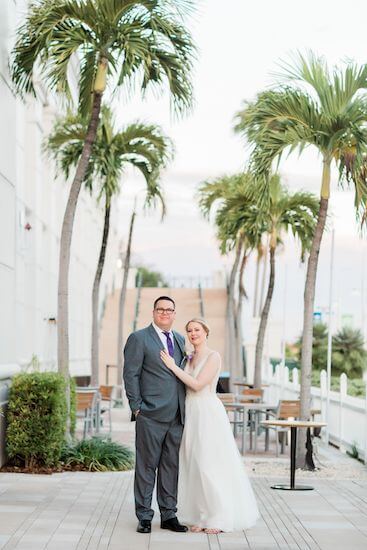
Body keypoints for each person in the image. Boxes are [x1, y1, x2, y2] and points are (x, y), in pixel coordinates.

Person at [160, 318, 260, 533]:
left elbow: (196, 385)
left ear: (206, 332)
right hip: (190, 413)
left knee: (209, 465)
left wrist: (171, 367)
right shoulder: (188, 357)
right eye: (189, 330)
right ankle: (203, 515)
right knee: (194, 465)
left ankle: (220, 517)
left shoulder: (213, 356)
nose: (193, 333)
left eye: (197, 329)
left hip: (207, 412)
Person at [123, 296, 188, 534]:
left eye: (169, 310)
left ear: (174, 313)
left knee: (171, 466)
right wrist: (136, 406)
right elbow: (131, 374)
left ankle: (169, 514)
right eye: (160, 309)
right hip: (150, 414)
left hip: (176, 416)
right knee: (146, 466)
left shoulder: (180, 339)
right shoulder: (138, 338)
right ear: (153, 312)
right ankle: (144, 516)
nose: (164, 313)